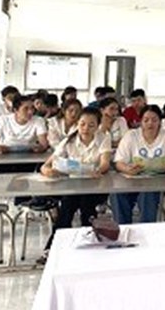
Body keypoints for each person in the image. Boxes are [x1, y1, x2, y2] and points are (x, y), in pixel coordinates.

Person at [39, 107, 111, 255]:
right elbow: (47, 164)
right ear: (77, 123)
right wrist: (46, 170)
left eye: (91, 125)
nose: (85, 128)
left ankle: (88, 246)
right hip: (72, 186)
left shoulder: (103, 139)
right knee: (66, 208)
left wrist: (99, 170)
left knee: (86, 206)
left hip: (94, 186)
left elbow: (105, 163)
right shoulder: (68, 141)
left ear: (97, 126)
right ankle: (54, 248)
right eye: (82, 124)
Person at [113, 105, 165, 223]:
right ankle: (123, 228)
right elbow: (119, 162)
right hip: (132, 179)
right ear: (140, 121)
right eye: (146, 120)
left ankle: (146, 230)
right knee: (117, 194)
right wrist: (127, 168)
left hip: (157, 180)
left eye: (154, 120)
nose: (150, 123)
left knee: (148, 194)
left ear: (160, 121)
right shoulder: (131, 135)